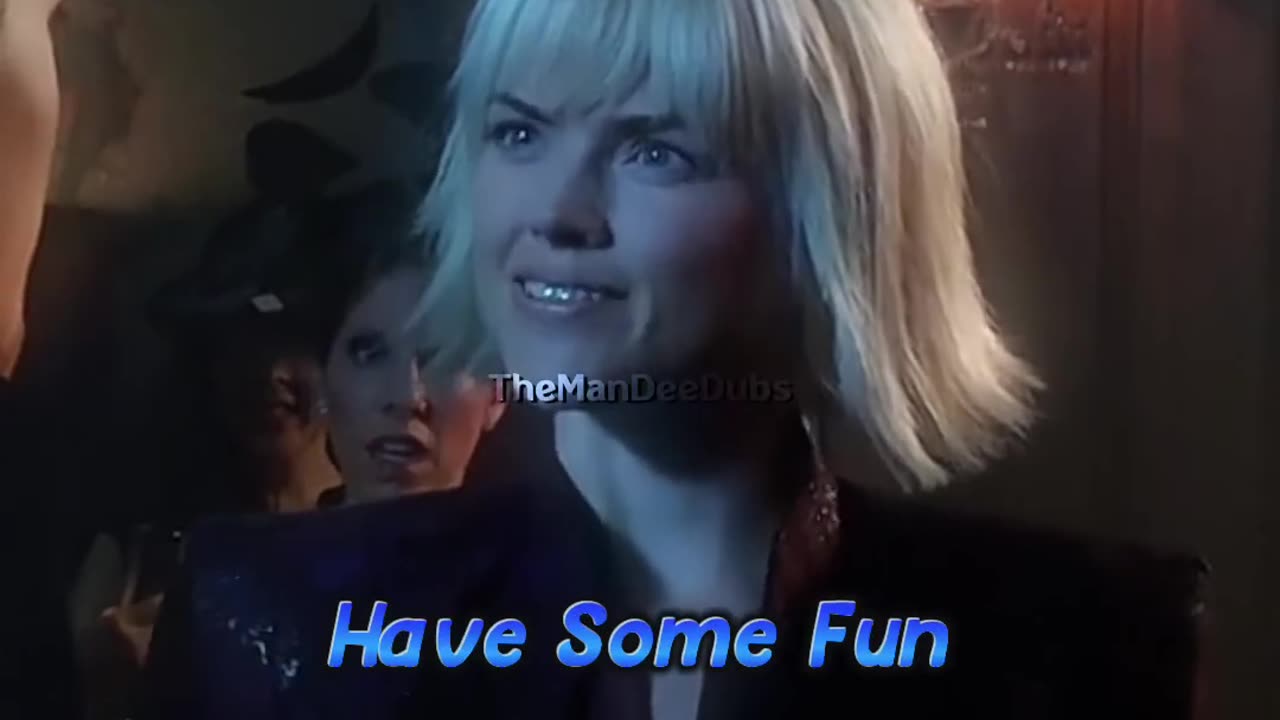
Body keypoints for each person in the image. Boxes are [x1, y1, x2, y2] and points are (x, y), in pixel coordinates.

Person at [142, 1, 1208, 719]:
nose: (556, 213)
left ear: (828, 216)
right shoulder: (278, 618)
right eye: (519, 134)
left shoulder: (1074, 645)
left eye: (657, 150)